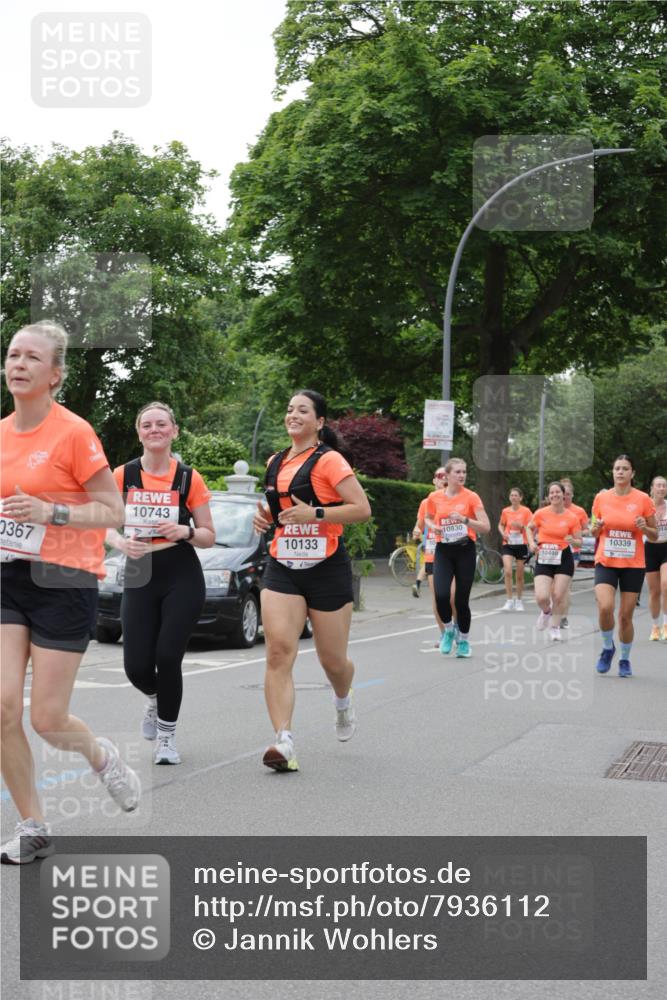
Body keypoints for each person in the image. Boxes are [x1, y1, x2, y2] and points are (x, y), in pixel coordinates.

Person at [1, 322, 140, 865]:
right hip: (10, 576)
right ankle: (33, 825)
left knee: (47, 719)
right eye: (13, 354)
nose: (19, 363)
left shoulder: (74, 433)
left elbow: (114, 511)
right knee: (5, 706)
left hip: (64, 580)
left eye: (32, 357)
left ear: (54, 374)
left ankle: (100, 756)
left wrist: (51, 512)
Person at [252, 390, 371, 772]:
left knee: (332, 661)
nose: (293, 415)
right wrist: (264, 520)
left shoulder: (330, 460)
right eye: (289, 409)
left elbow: (361, 509)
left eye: (302, 410)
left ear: (319, 422)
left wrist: (315, 513)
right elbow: (277, 512)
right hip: (283, 564)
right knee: (277, 651)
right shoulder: (274, 462)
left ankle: (342, 698)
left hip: (326, 565)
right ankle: (283, 741)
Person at [106, 403, 215, 765]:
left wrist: (186, 531)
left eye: (161, 424)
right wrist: (119, 542)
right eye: (147, 425)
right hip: (139, 568)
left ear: (174, 431)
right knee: (136, 666)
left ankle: (167, 739)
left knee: (168, 657)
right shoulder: (122, 475)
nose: (155, 430)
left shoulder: (188, 478)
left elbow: (208, 535)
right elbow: (100, 522)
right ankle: (154, 697)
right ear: (139, 433)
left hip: (180, 568)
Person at [591, 455, 657, 676]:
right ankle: (608, 648)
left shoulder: (643, 499)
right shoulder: (601, 498)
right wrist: (597, 527)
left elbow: (655, 535)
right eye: (617, 468)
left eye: (625, 469)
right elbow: (592, 530)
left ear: (632, 473)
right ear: (613, 472)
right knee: (605, 606)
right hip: (606, 561)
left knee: (625, 616)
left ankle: (625, 659)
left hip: (633, 563)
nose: (620, 472)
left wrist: (644, 528)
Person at [424, 457, 490, 658]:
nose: (462, 475)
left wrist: (465, 520)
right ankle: (448, 629)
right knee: (441, 595)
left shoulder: (471, 497)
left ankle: (464, 641)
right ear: (448, 475)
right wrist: (433, 526)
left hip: (464, 550)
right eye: (458, 472)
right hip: (443, 549)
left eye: (464, 472)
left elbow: (486, 527)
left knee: (461, 601)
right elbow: (426, 517)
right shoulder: (434, 497)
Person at [525, 482, 582, 642]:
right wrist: (531, 543)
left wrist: (573, 540)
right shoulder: (541, 513)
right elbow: (529, 528)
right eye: (551, 493)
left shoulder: (571, 517)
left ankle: (555, 627)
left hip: (563, 557)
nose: (554, 495)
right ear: (548, 496)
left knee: (558, 595)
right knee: (541, 597)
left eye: (557, 492)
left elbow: (579, 541)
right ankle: (546, 611)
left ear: (563, 495)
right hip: (544, 556)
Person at [414, 468, 455, 642]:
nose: (443, 478)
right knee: (439, 597)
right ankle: (445, 633)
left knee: (452, 598)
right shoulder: (426, 503)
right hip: (433, 554)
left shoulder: (456, 500)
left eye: (446, 476)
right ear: (434, 480)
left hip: (453, 553)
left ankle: (458, 630)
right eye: (439, 476)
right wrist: (416, 530)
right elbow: (419, 525)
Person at [559, 478, 590, 628]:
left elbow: (586, 529)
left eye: (568, 494)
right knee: (555, 587)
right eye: (563, 493)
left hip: (572, 551)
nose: (565, 497)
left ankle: (563, 617)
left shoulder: (579, 511)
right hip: (554, 551)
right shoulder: (551, 510)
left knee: (565, 585)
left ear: (572, 495)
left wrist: (576, 535)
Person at [497, 487, 532, 611]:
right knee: (507, 571)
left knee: (519, 575)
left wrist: (522, 526)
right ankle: (509, 600)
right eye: (512, 495)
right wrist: (503, 534)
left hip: (522, 544)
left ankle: (519, 600)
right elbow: (500, 524)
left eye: (516, 495)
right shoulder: (505, 511)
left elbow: (532, 527)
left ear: (520, 498)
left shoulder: (526, 511)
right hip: (509, 543)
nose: (514, 497)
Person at [645, 475, 667, 641]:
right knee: (654, 592)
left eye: (664, 486)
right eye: (658, 486)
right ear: (652, 489)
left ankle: (666, 624)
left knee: (665, 585)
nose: (661, 488)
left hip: (666, 547)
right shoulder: (645, 507)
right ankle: (655, 626)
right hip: (650, 549)